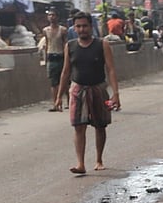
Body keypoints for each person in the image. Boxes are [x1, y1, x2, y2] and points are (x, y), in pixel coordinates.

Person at [54, 10, 119, 175]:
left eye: (84, 26)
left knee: (100, 125)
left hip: (98, 89)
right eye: (78, 26)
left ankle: (99, 160)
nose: (82, 29)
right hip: (77, 89)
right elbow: (65, 72)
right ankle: (80, 163)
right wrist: (59, 96)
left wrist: (115, 93)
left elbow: (111, 69)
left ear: (91, 27)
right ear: (74, 28)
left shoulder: (102, 44)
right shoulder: (70, 46)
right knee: (78, 126)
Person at [41, 9, 68, 110]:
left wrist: (67, 58)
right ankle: (55, 104)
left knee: (65, 81)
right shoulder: (45, 30)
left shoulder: (63, 30)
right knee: (53, 82)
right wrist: (46, 58)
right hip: (51, 57)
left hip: (61, 56)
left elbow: (65, 44)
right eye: (49, 15)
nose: (51, 17)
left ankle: (69, 102)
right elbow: (47, 43)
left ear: (57, 17)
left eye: (53, 15)